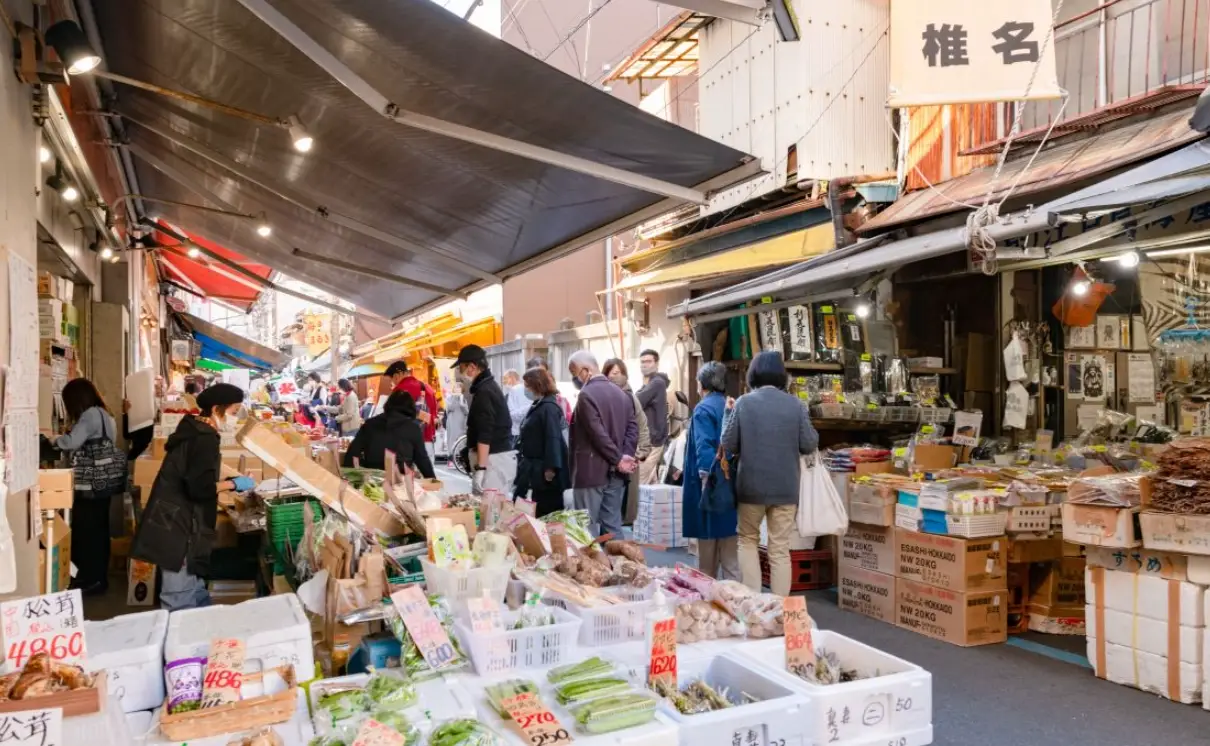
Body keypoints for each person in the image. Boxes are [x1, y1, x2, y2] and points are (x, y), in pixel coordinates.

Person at [132, 383, 255, 610]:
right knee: (179, 596)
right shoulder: (204, 438)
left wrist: (234, 479)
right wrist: (234, 484)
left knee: (193, 587)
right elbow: (199, 488)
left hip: (172, 517)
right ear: (217, 408)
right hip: (180, 525)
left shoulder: (192, 427)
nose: (235, 419)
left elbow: (201, 470)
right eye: (234, 412)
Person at [721, 351, 819, 596]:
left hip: (751, 487)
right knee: (780, 548)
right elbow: (809, 444)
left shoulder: (744, 403)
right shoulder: (795, 405)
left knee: (747, 540)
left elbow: (729, 444)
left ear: (753, 374)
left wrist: (727, 414)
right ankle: (779, 607)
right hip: (786, 487)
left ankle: (753, 601)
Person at [49, 378, 121, 595]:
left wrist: (52, 439)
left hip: (88, 485)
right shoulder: (106, 414)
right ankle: (98, 578)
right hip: (103, 482)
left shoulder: (90, 415)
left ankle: (89, 579)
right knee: (99, 531)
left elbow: (70, 442)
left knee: (86, 531)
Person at [567, 351, 637, 537]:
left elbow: (597, 433)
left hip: (591, 470)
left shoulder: (586, 395)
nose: (575, 378)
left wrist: (619, 459)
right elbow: (633, 428)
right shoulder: (622, 394)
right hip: (617, 472)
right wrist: (625, 456)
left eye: (574, 373)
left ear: (585, 370)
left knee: (585, 528)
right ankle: (619, 557)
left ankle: (592, 558)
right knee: (613, 526)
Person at [681, 362, 740, 580]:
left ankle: (709, 597)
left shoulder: (703, 409)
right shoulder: (731, 405)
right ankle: (737, 598)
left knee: (706, 563)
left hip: (710, 489)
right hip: (730, 486)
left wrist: (708, 487)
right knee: (732, 559)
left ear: (702, 383)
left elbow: (704, 452)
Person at [452, 345, 515, 494]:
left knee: (489, 505)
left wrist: (481, 468)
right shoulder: (486, 387)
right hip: (494, 459)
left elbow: (485, 433)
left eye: (461, 368)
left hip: (493, 461)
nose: (459, 374)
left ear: (472, 367)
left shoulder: (484, 392)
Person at [514, 368, 570, 517]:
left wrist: (551, 468)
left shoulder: (548, 408)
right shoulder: (540, 405)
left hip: (544, 469)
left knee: (546, 509)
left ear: (536, 385)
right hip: (534, 466)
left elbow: (553, 438)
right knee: (536, 506)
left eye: (527, 385)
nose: (525, 389)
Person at [343, 391, 436, 478]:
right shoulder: (413, 428)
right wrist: (433, 480)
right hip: (401, 482)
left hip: (372, 481)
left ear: (388, 405)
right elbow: (422, 460)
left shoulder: (370, 424)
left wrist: (350, 478)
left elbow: (352, 452)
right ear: (411, 408)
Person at [603, 359, 651, 525]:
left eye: (618, 373)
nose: (615, 377)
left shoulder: (630, 397)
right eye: (611, 373)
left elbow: (642, 424)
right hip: (607, 457)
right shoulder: (601, 396)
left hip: (627, 455)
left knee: (622, 502)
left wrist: (641, 451)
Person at [385, 361, 439, 461]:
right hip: (428, 444)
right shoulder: (427, 388)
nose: (393, 383)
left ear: (397, 376)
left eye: (392, 380)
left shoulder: (399, 390)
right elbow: (434, 417)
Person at [636, 349, 671, 485]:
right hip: (650, 439)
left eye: (649, 361)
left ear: (656, 364)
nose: (645, 365)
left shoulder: (657, 383)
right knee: (651, 483)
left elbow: (636, 402)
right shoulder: (650, 384)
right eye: (642, 362)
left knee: (640, 482)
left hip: (651, 441)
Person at [526, 356, 572, 423]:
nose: (540, 376)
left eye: (543, 372)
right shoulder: (523, 392)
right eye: (536, 372)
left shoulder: (555, 402)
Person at [444, 383, 469, 466]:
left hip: (461, 422)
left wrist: (461, 402)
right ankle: (451, 459)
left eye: (459, 388)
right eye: (456, 387)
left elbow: (466, 412)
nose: (457, 389)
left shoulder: (463, 399)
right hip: (452, 422)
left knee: (460, 440)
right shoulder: (449, 398)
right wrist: (455, 397)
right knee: (451, 439)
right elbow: (450, 408)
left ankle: (459, 459)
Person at [502, 369, 530, 441]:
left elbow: (511, 414)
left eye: (505, 379)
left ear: (512, 378)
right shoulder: (510, 393)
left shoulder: (514, 390)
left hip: (516, 433)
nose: (503, 382)